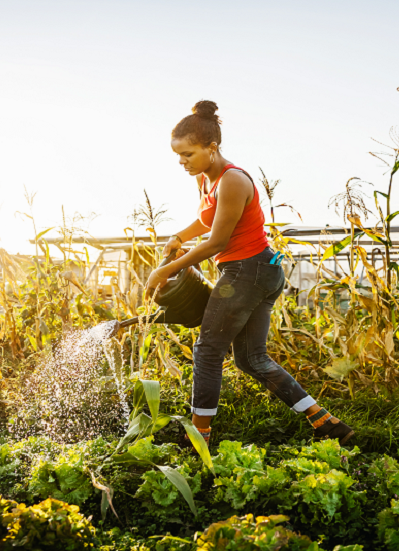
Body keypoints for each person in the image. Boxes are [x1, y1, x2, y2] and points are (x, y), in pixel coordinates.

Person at [145, 100, 354, 447]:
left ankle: (199, 435)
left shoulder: (233, 180)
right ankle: (326, 422)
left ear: (212, 148)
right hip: (257, 272)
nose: (182, 162)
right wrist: (180, 236)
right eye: (178, 155)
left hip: (248, 272)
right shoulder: (206, 180)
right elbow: (207, 220)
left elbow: (217, 241)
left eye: (188, 154)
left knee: (208, 350)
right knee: (251, 359)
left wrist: (165, 270)